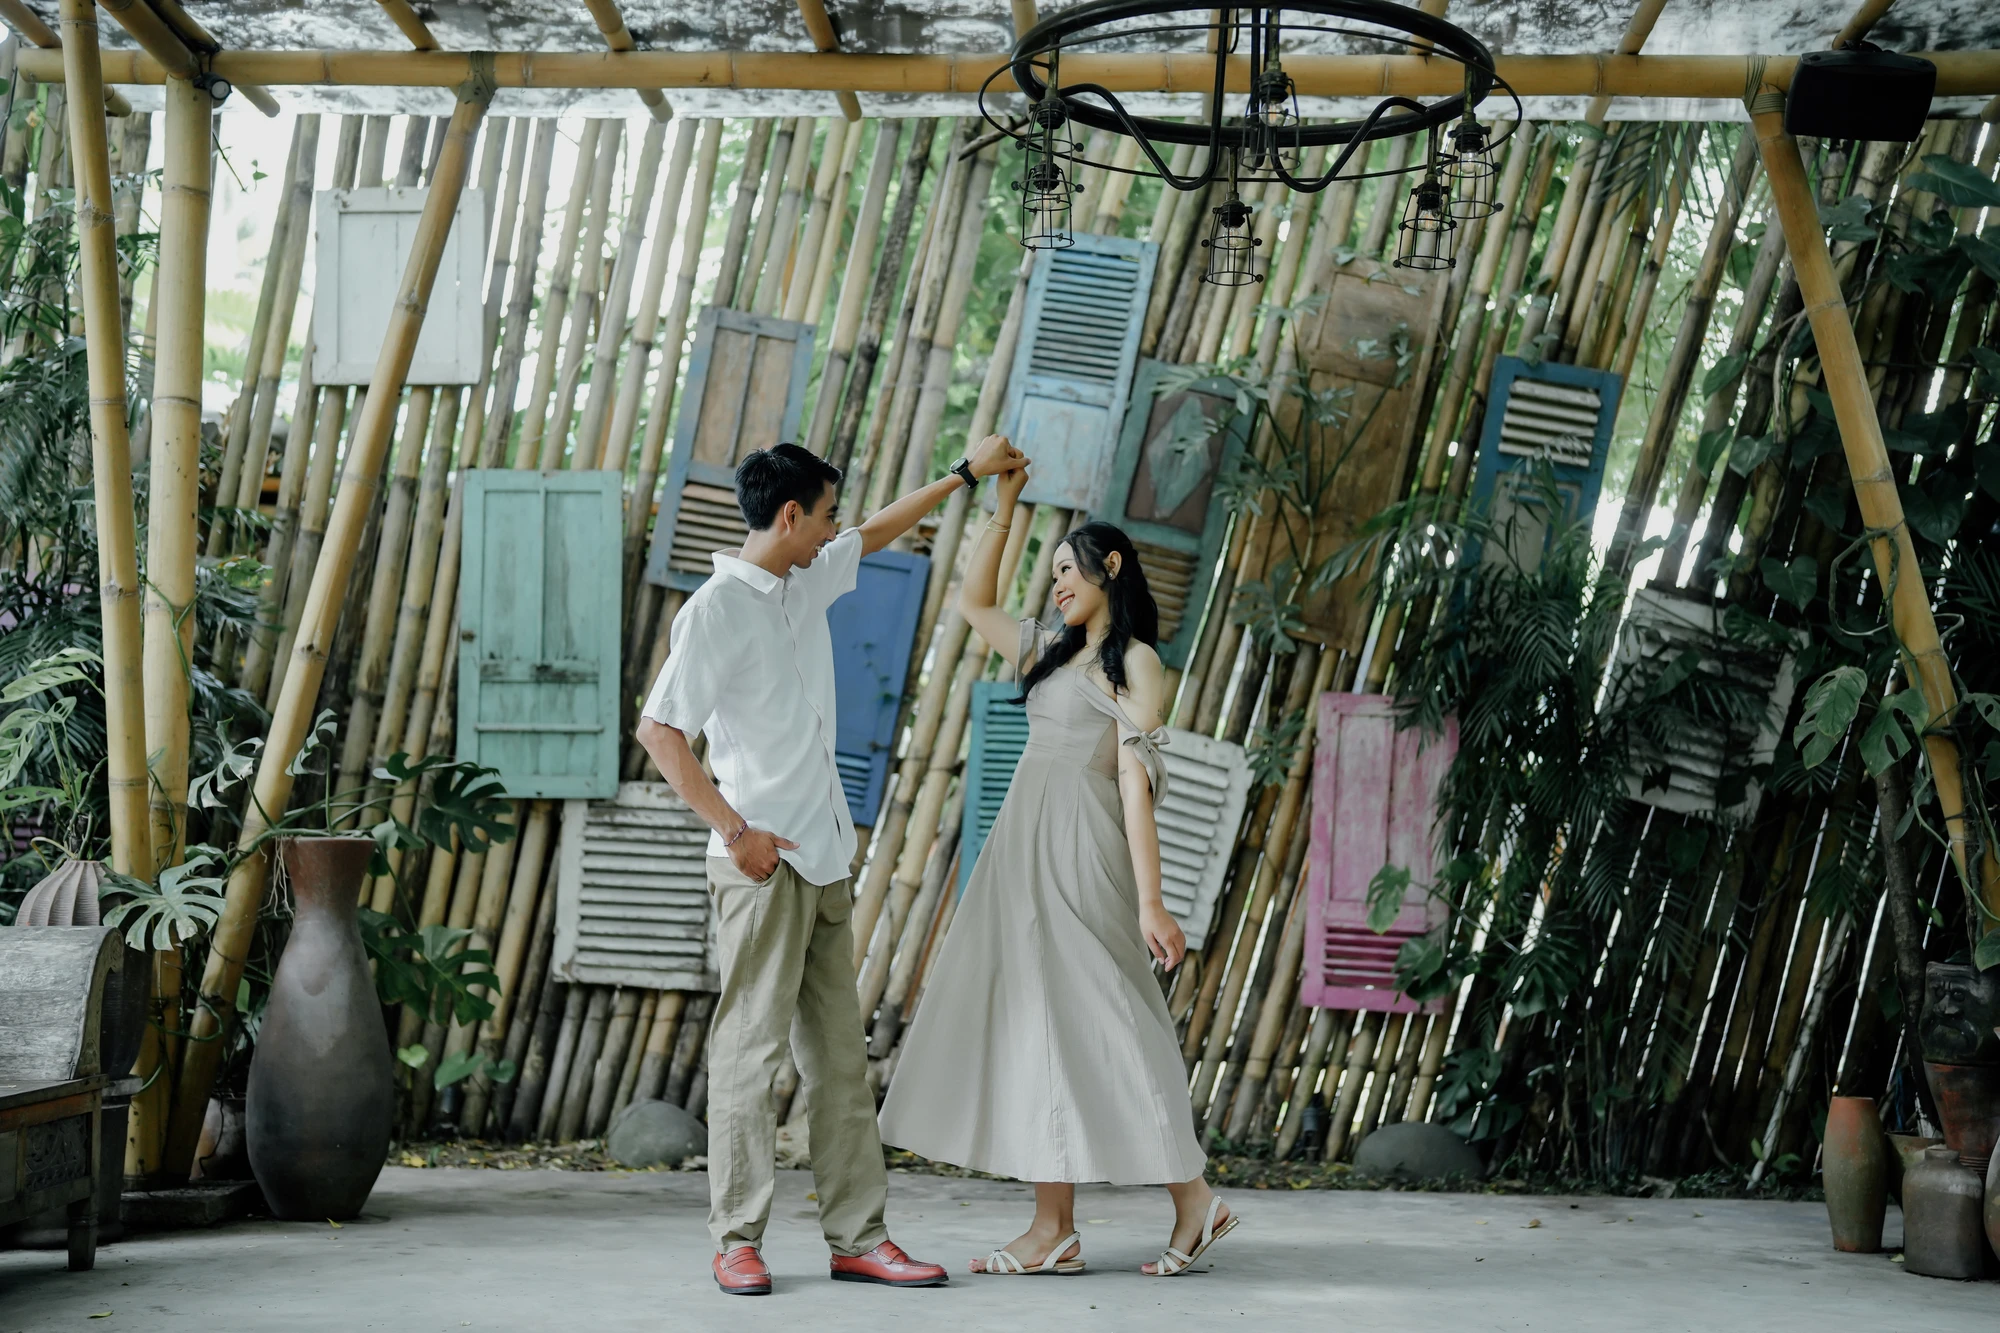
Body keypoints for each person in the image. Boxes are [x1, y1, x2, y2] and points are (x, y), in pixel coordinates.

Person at [636, 435, 1025, 1296]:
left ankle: (860, 1238)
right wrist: (736, 829)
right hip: (762, 869)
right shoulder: (714, 610)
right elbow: (659, 731)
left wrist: (962, 475)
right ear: (789, 516)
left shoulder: (800, 580)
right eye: (824, 516)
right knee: (750, 1055)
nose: (833, 530)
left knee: (840, 1063)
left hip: (823, 860)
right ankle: (736, 1239)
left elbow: (875, 531)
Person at [878, 460, 1239, 1279]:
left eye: (1068, 571)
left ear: (1111, 566)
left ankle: (1194, 1199)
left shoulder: (1137, 662)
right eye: (1051, 578)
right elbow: (974, 601)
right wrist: (1003, 505)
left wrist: (1152, 901)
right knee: (1038, 1025)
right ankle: (1054, 1228)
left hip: (1085, 852)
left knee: (1114, 1016)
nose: (1058, 587)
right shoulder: (1046, 649)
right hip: (1021, 847)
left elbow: (1135, 782)